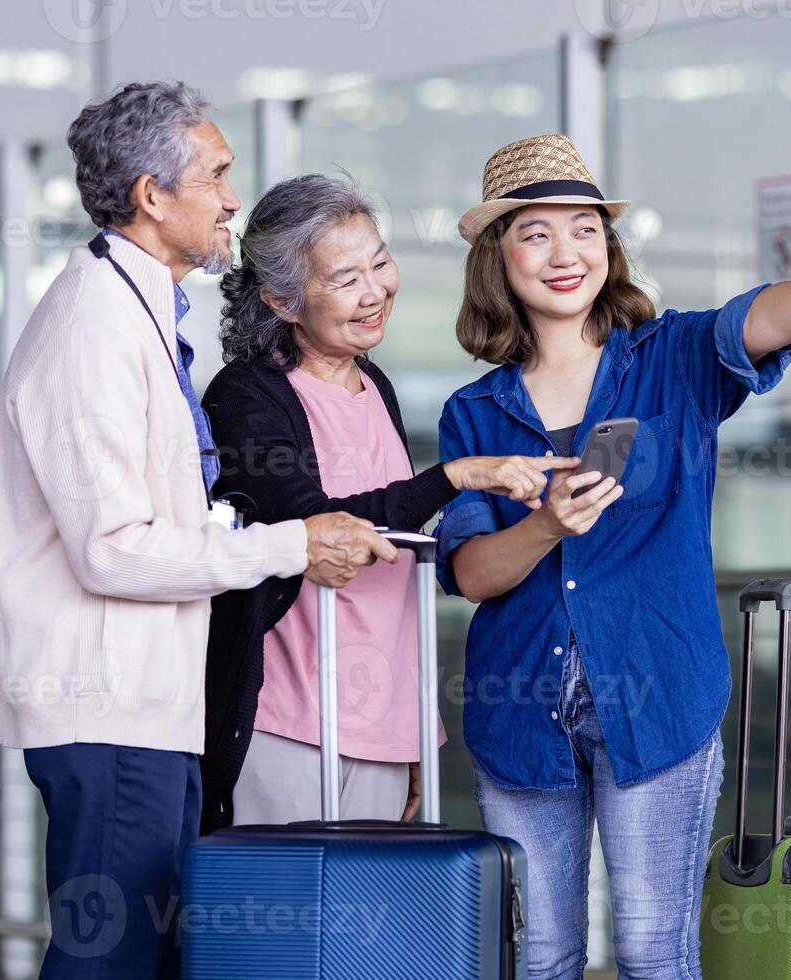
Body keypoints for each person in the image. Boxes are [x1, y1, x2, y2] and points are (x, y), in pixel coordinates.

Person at [434, 133, 791, 979]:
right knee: (540, 957)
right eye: (536, 233)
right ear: (499, 257)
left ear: (610, 246)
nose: (566, 252)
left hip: (658, 700)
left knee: (651, 952)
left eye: (585, 229)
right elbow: (470, 574)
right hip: (519, 707)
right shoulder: (474, 411)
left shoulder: (671, 359)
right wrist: (546, 527)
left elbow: (763, 315)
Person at [0, 82, 397, 979]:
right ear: (152, 196)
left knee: (150, 958)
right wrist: (292, 543)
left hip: (150, 703)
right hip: (111, 703)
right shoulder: (92, 327)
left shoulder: (137, 316)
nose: (233, 199)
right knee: (115, 961)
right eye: (216, 174)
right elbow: (115, 548)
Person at [198, 173, 562, 831]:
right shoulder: (246, 395)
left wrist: (411, 729)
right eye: (345, 280)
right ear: (282, 301)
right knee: (283, 924)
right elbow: (311, 525)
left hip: (380, 727)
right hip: (289, 719)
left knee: (369, 930)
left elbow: (391, 561)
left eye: (381, 263)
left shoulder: (374, 384)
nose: (376, 292)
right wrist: (452, 477)